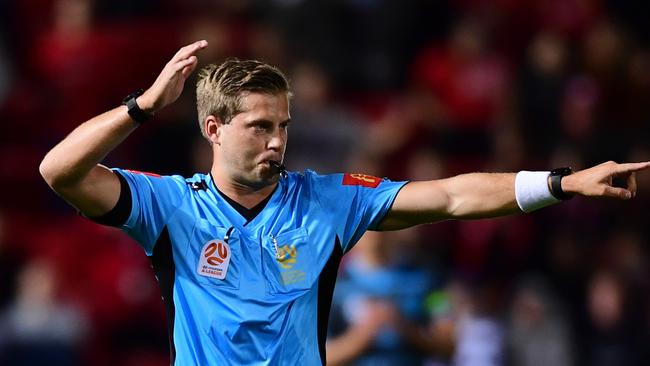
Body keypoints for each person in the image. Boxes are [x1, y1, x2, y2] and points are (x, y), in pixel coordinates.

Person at [39, 40, 650, 365]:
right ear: (214, 128)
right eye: (259, 126)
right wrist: (141, 107)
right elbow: (59, 171)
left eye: (283, 125)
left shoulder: (326, 202)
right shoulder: (169, 205)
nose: (278, 140)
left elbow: (452, 196)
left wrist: (561, 182)